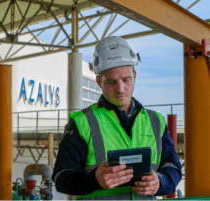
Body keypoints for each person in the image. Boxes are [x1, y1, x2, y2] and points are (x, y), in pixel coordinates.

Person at [52, 36, 182, 201]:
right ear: (99, 81)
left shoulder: (155, 121)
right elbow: (61, 178)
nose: (120, 89)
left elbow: (173, 167)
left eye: (126, 80)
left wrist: (160, 182)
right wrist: (94, 179)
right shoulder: (82, 122)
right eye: (111, 82)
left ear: (134, 76)